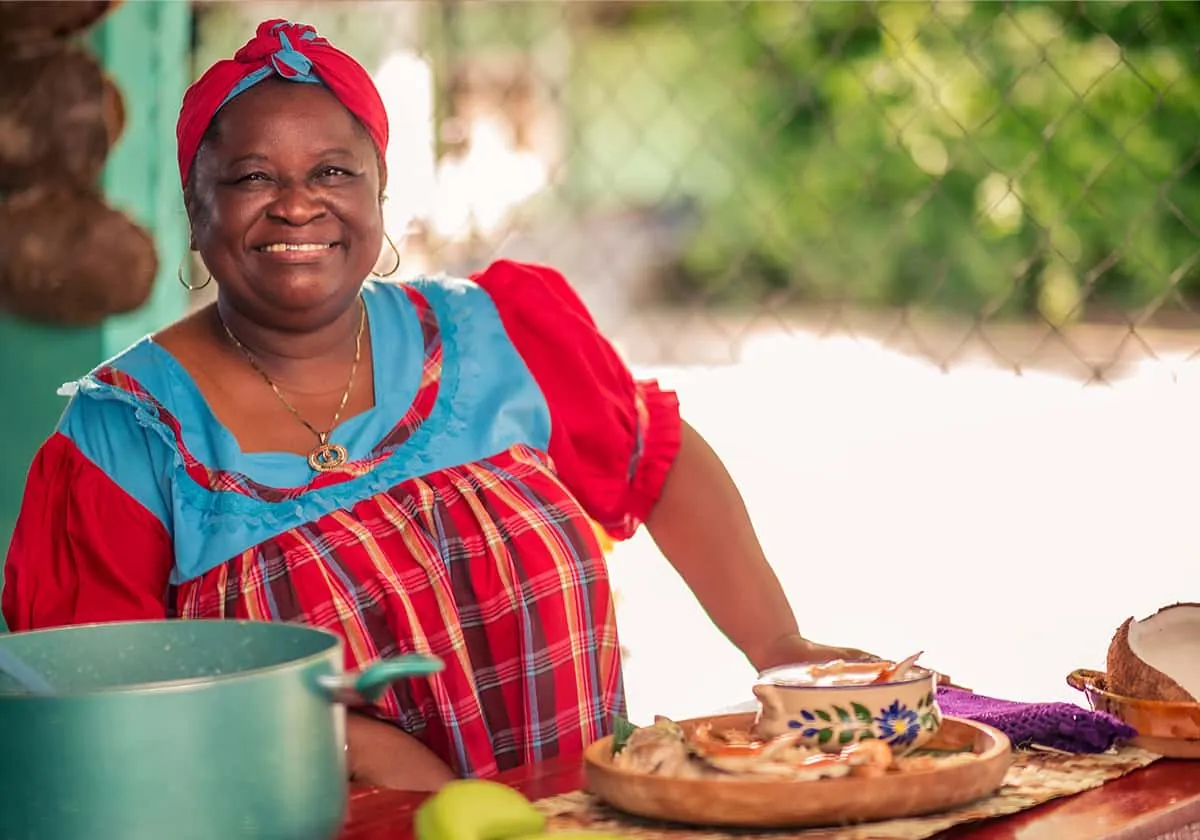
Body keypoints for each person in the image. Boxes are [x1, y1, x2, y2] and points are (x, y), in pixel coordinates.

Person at [1, 19, 875, 790]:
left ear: (379, 194)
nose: (298, 202)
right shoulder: (126, 436)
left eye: (334, 170)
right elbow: (105, 710)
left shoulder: (498, 334)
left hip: (573, 820)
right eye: (251, 177)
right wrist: (344, 746)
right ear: (195, 209)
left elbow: (663, 459)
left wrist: (777, 645)